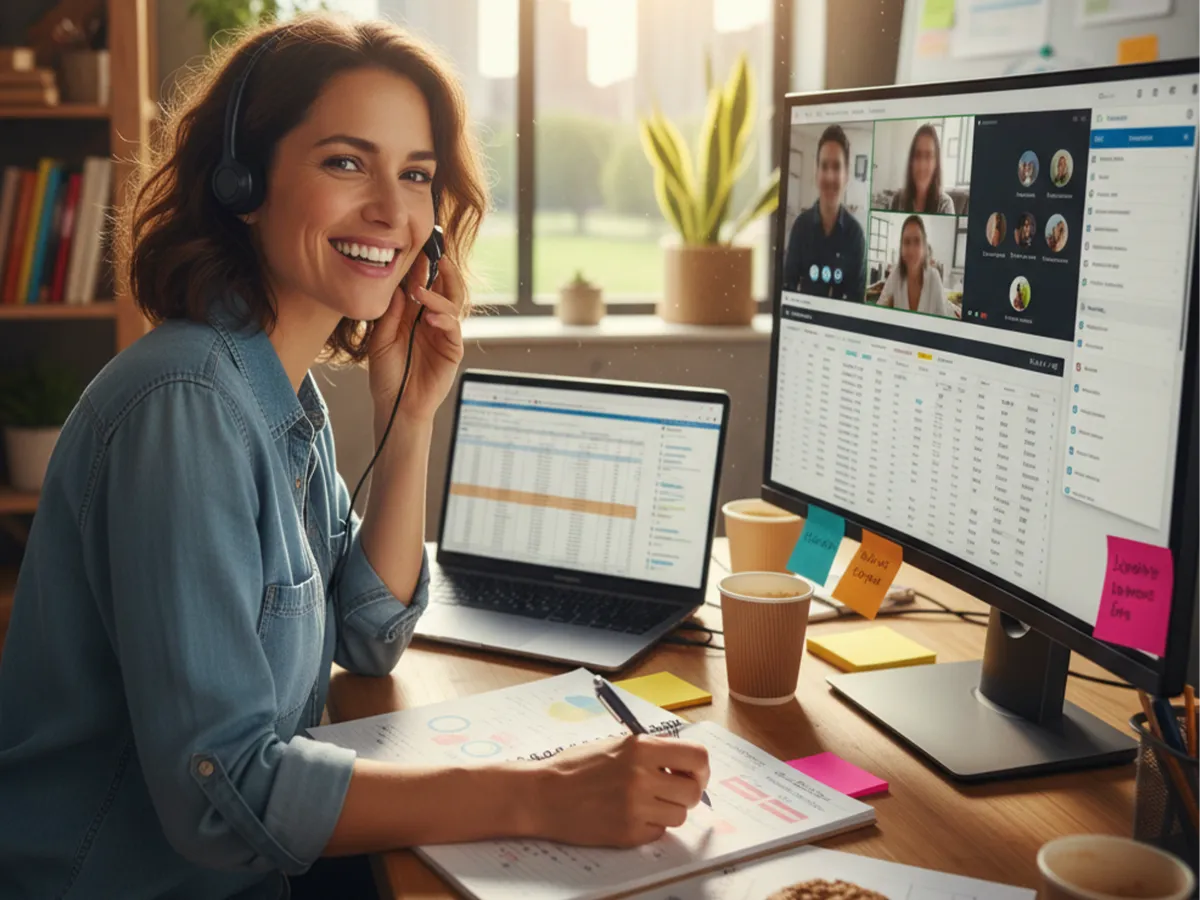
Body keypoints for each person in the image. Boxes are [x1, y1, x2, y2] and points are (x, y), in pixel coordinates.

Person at [0, 15, 711, 900]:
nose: (392, 210)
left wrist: (405, 417)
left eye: (416, 175)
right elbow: (223, 796)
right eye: (346, 162)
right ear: (243, 183)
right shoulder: (185, 407)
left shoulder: (279, 392)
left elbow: (369, 635)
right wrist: (540, 794)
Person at [783, 124, 866, 301]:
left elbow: (857, 303)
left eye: (836, 167)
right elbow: (787, 289)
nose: (829, 176)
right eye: (824, 166)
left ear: (846, 175)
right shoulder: (800, 227)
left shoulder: (856, 236)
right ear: (816, 172)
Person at [875, 215, 959, 319]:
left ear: (924, 246)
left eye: (917, 241)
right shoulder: (896, 275)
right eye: (906, 242)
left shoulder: (934, 277)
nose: (911, 250)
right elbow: (878, 312)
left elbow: (943, 320)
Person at [890, 124, 955, 214]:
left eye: (928, 156)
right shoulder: (897, 200)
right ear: (911, 161)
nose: (922, 165)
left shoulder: (945, 205)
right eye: (917, 155)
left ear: (936, 163)